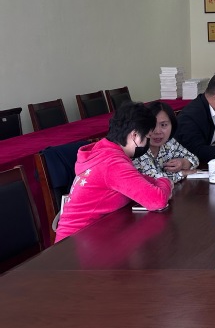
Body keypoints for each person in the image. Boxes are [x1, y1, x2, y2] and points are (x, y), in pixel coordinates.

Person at [55, 102, 174, 242]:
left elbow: (135, 179)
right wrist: (166, 182)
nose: (147, 143)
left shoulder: (103, 151)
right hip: (76, 243)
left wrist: (156, 182)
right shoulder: (112, 163)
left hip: (86, 237)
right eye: (147, 137)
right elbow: (157, 200)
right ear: (135, 135)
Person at [133, 101, 199, 183]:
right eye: (152, 125)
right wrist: (182, 173)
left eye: (163, 125)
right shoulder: (137, 148)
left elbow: (194, 159)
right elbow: (154, 180)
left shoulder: (169, 143)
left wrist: (183, 163)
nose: (158, 131)